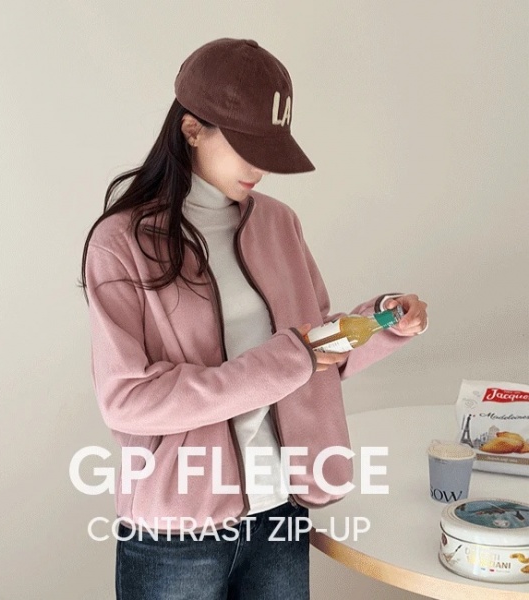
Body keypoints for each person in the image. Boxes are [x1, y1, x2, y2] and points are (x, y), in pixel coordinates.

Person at [80, 38, 428, 600]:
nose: (261, 168)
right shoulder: (122, 243)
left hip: (280, 511)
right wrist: (289, 358)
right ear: (192, 129)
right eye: (247, 148)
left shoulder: (279, 224)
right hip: (178, 530)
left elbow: (315, 352)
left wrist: (382, 323)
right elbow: (128, 400)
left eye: (270, 149)